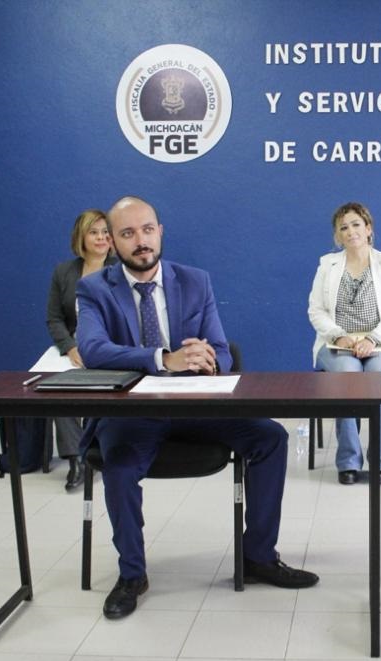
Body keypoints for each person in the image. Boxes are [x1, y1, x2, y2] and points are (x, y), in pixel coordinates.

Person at [76, 195, 319, 619]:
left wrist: (209, 359)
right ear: (112, 241)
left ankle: (258, 557)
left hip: (196, 402)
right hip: (133, 412)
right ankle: (132, 575)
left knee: (270, 438)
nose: (140, 241)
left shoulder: (194, 281)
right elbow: (93, 349)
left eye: (147, 230)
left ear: (160, 232)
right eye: (128, 233)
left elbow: (223, 351)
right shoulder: (95, 289)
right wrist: (161, 358)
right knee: (119, 467)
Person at [308, 202, 381, 485]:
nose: (350, 231)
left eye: (356, 224)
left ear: (368, 228)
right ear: (337, 236)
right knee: (347, 374)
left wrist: (372, 339)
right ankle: (348, 461)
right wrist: (337, 335)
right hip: (338, 343)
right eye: (343, 227)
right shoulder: (327, 265)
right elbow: (316, 310)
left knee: (378, 377)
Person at [45, 209, 116, 491]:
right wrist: (70, 347)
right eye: (93, 232)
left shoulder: (121, 271)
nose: (101, 238)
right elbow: (54, 318)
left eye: (105, 232)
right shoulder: (64, 272)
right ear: (81, 237)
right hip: (74, 349)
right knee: (54, 388)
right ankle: (77, 458)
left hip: (110, 346)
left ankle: (100, 446)